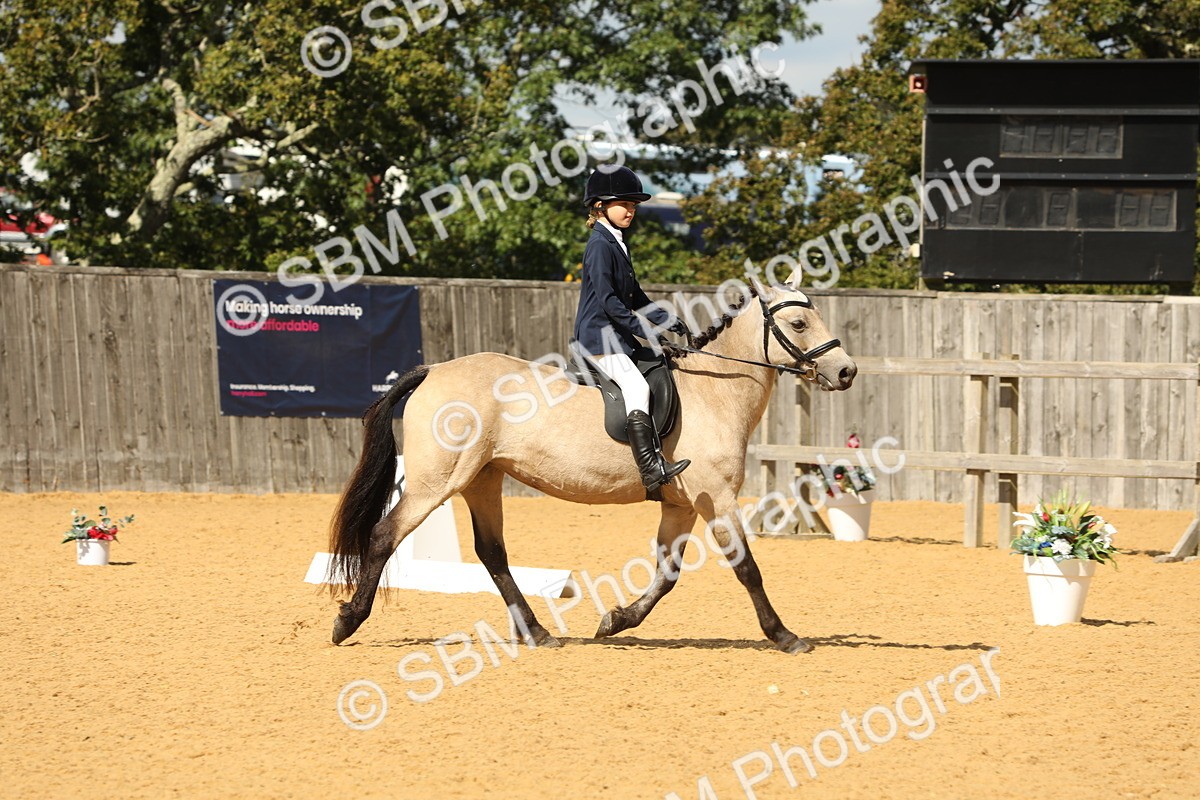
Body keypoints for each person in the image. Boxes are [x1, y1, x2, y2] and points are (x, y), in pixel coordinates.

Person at [572, 165, 690, 492]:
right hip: (598, 339)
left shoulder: (617, 243)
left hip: (617, 338)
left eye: (634, 205)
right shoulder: (599, 245)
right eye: (624, 204)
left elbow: (635, 295)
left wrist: (666, 320)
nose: (631, 210)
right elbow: (611, 303)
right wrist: (649, 332)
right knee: (637, 389)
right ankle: (651, 469)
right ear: (600, 206)